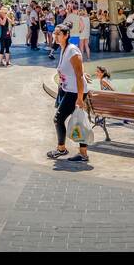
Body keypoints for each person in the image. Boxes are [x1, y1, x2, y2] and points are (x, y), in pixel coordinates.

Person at [47, 23, 89, 163]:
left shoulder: (72, 50)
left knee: (59, 119)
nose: (56, 36)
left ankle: (62, 149)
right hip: (68, 90)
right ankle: (81, 152)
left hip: (75, 92)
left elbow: (78, 75)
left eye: (58, 34)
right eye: (55, 34)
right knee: (77, 121)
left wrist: (80, 98)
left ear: (66, 35)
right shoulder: (64, 49)